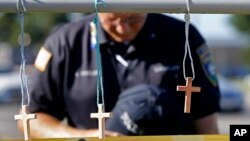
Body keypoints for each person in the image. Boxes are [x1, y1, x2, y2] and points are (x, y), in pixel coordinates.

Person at [17, 13, 220, 138]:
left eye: (132, 19)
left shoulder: (183, 37)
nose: (122, 27)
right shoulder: (66, 42)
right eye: (112, 19)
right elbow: (31, 119)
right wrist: (84, 137)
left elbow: (206, 121)